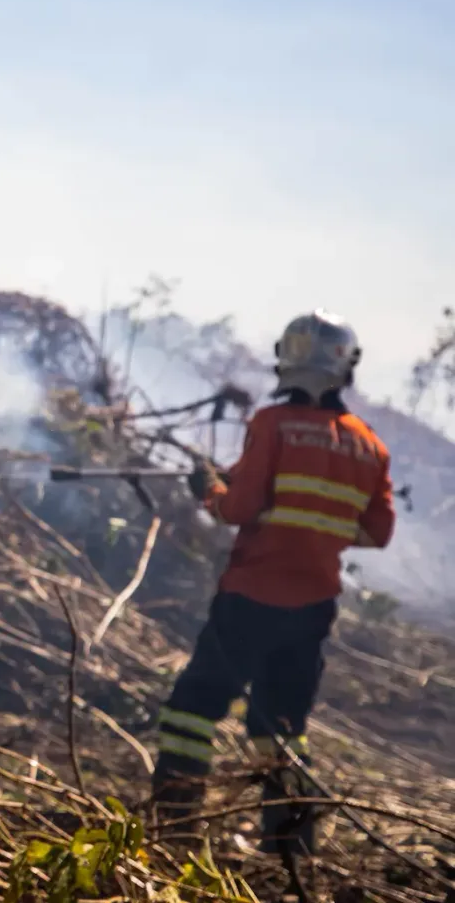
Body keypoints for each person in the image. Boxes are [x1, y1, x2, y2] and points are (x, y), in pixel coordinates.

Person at [151, 311, 395, 858]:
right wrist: (309, 529)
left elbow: (239, 507)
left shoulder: (273, 424)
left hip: (251, 596)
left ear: (287, 357)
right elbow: (377, 531)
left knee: (192, 710)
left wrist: (208, 490)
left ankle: (174, 832)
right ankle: (290, 852)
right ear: (344, 367)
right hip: (313, 607)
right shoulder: (368, 446)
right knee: (281, 728)